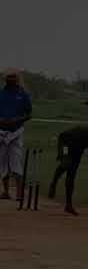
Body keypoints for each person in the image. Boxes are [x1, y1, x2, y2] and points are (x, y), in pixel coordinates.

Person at [0, 70, 32, 200]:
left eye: (13, 77)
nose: (11, 79)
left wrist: (17, 120)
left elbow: (29, 114)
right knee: (2, 162)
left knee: (16, 161)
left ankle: (19, 193)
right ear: (5, 79)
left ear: (18, 79)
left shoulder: (23, 95)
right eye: (8, 77)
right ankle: (6, 192)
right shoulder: (1, 94)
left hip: (16, 132)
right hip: (1, 132)